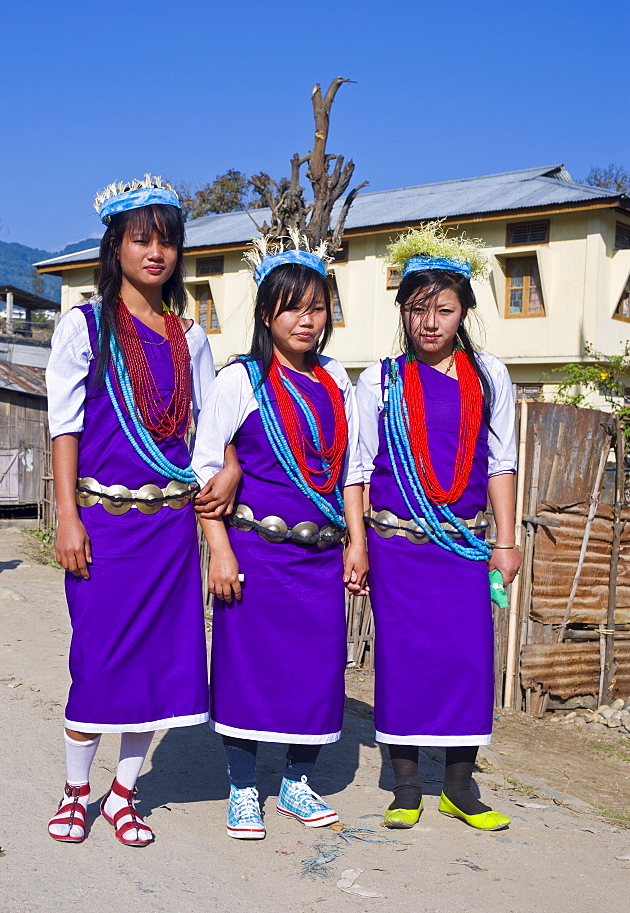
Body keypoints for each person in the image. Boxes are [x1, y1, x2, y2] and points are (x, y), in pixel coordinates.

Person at [46, 175, 238, 847]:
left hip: (168, 529)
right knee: (96, 662)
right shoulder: (84, 327)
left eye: (167, 241)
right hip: (102, 523)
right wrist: (67, 516)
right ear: (116, 247)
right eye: (141, 239)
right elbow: (65, 428)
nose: (156, 252)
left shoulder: (189, 336)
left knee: (157, 667)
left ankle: (124, 795)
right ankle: (76, 792)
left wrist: (230, 467)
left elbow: (208, 433)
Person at [192, 232, 368, 840]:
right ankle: (243, 788)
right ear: (268, 312)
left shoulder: (337, 380)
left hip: (319, 558)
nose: (306, 319)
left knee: (318, 671)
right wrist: (218, 550)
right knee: (246, 668)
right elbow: (206, 469)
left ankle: (297, 781)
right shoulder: (240, 380)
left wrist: (357, 543)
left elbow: (351, 471)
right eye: (292, 306)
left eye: (317, 307)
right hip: (253, 554)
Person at [355, 223, 521, 832]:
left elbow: (500, 464)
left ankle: (459, 787)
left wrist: (504, 542)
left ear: (464, 312)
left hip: (464, 543)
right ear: (402, 311)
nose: (430, 322)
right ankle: (404, 786)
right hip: (397, 546)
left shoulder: (490, 378)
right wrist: (358, 544)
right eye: (418, 309)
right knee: (402, 659)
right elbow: (360, 470)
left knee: (467, 660)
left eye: (444, 310)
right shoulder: (380, 380)